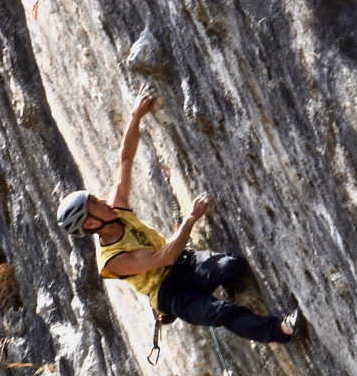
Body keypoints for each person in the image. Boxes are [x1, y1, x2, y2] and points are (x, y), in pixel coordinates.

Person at [57, 84, 302, 344]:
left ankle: (219, 284)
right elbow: (165, 256)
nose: (104, 200)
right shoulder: (112, 261)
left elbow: (125, 160)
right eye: (96, 203)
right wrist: (191, 217)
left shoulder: (116, 210)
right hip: (169, 294)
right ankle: (280, 330)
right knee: (220, 313)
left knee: (233, 266)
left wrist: (136, 116)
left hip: (185, 264)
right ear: (93, 223)